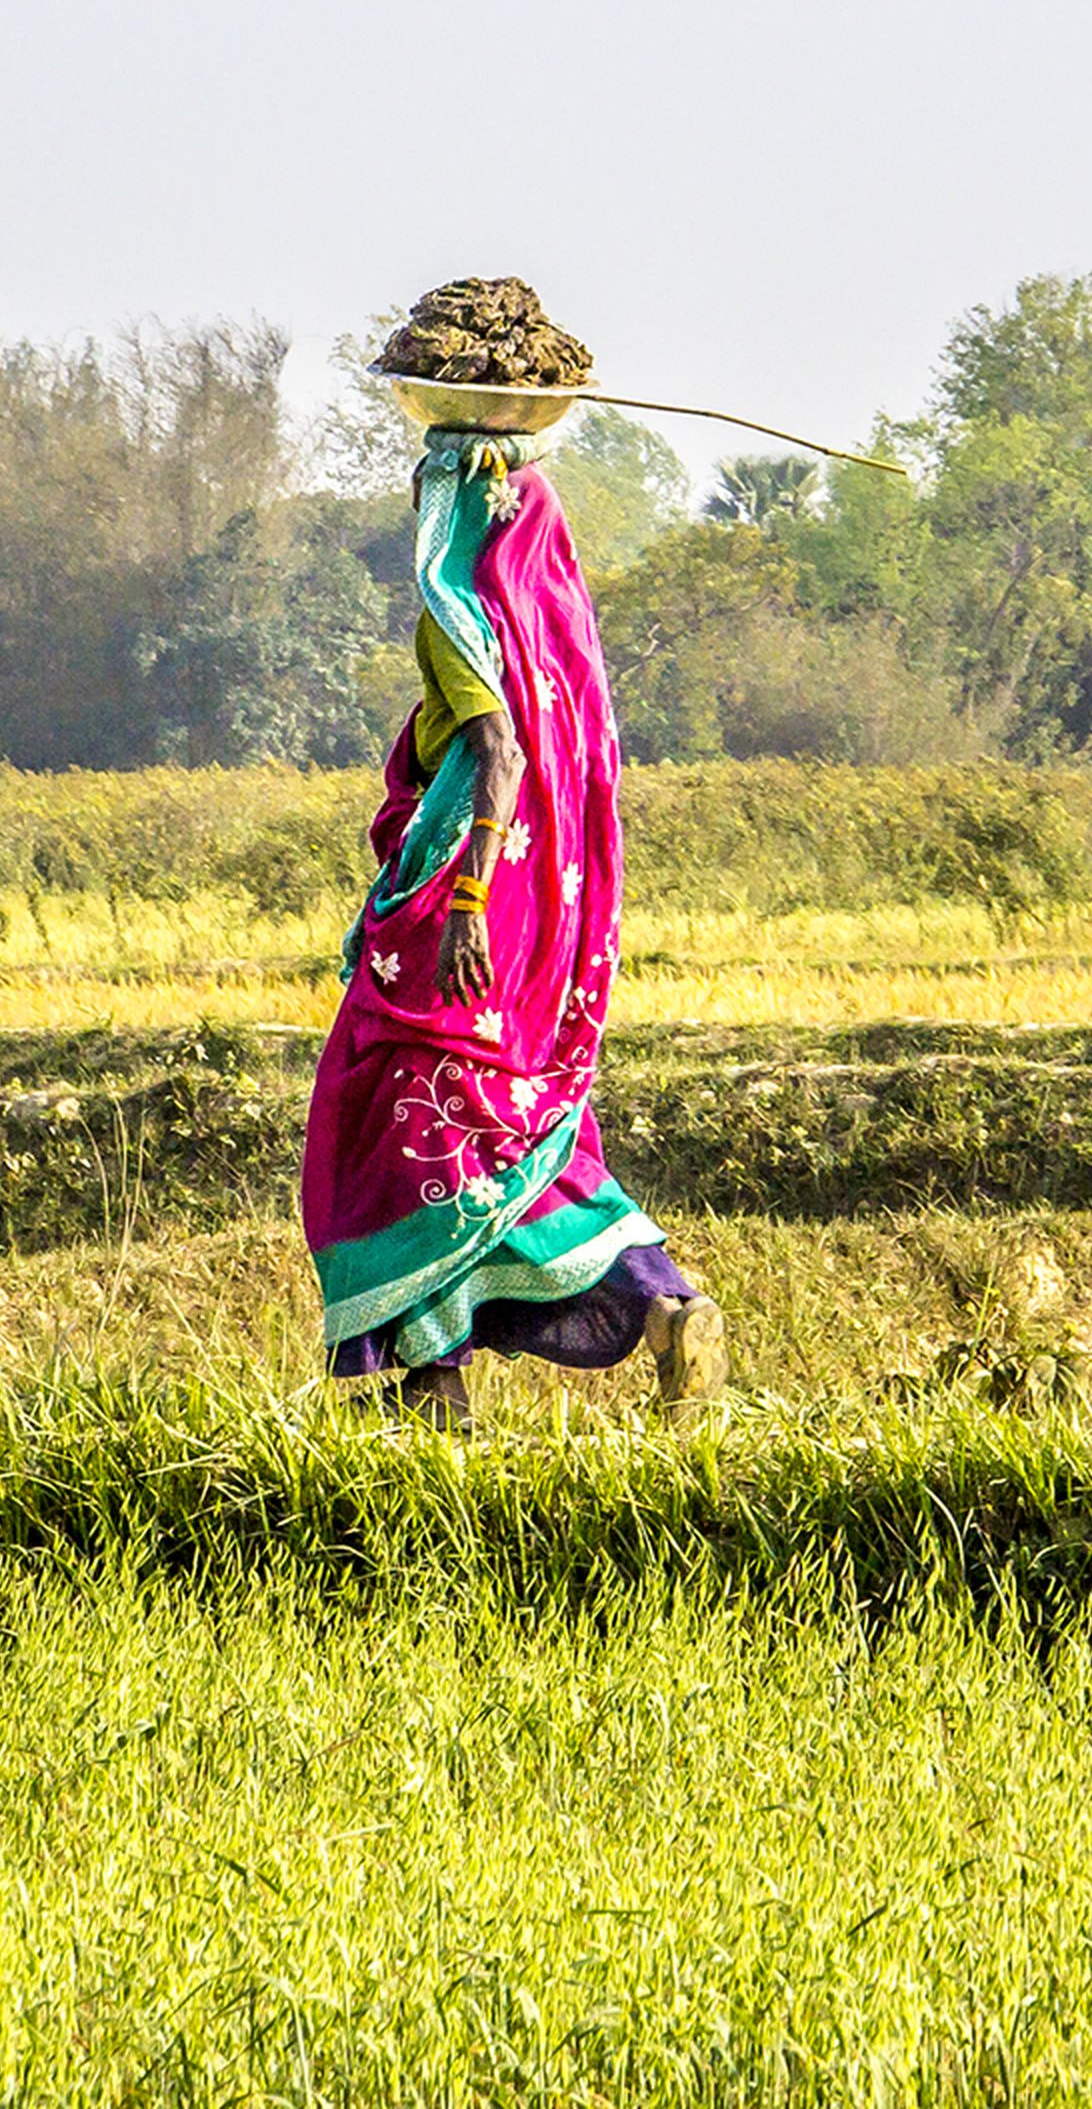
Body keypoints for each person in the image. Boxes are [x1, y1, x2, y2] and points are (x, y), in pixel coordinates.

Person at [301, 409, 720, 1430]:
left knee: (391, 1122)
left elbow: (498, 754)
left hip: (461, 910)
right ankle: (656, 1301)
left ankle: (433, 1378)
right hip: (537, 931)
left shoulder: (461, 618)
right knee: (502, 1121)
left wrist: (470, 900)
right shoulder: (543, 623)